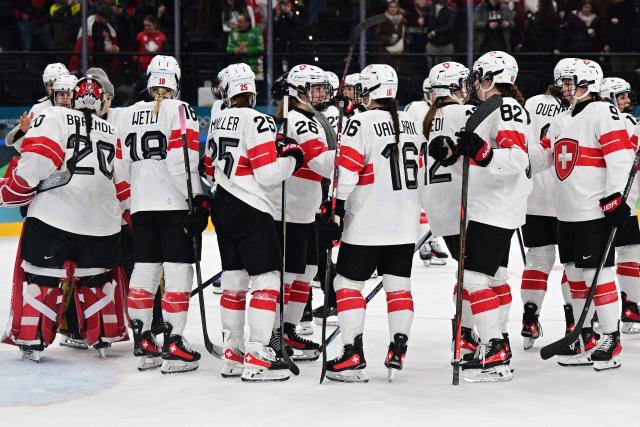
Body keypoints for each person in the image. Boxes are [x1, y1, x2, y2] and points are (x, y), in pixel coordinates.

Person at [0, 77, 127, 362]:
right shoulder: (113, 129)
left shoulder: (53, 115)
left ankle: (32, 339)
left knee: (42, 279)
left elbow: (38, 160)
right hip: (103, 224)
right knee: (96, 278)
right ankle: (104, 335)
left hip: (54, 219)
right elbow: (123, 180)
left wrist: (10, 191)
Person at [430, 51, 531, 382]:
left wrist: (482, 152)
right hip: (486, 204)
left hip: (496, 206)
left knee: (473, 279)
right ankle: (495, 343)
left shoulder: (508, 107)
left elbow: (514, 158)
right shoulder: (488, 110)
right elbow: (478, 158)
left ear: (492, 76)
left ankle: (495, 347)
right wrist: (452, 155)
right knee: (493, 278)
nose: (474, 82)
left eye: (479, 75)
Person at [319, 64, 423, 383]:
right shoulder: (411, 122)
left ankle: (352, 353)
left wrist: (333, 207)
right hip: (404, 224)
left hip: (366, 223)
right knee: (399, 287)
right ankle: (398, 347)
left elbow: (347, 173)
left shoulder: (359, 122)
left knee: (347, 285)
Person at [529, 59, 633, 371]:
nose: (564, 87)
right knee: (574, 275)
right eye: (563, 82)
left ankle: (611, 337)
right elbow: (544, 157)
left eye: (570, 82)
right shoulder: (562, 118)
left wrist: (615, 197)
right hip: (566, 212)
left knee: (596, 276)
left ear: (588, 83)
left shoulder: (603, 112)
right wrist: (501, 155)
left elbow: (620, 155)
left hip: (592, 210)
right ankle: (584, 335)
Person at [203, 63, 302, 382]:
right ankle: (259, 353)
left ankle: (232, 351)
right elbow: (268, 175)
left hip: (222, 205)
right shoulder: (259, 119)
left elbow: (207, 167)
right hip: (250, 206)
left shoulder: (218, 118)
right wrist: (292, 158)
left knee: (233, 280)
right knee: (267, 278)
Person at [117, 55, 206, 374]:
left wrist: (129, 203)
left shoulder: (126, 115)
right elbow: (184, 161)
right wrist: (196, 199)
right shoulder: (180, 110)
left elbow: (119, 167)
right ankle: (174, 340)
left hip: (141, 206)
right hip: (173, 204)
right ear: (176, 82)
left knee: (144, 271)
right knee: (178, 273)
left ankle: (143, 341)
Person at [264, 64, 334, 361]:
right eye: (314, 87)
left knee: (306, 271)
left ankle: (289, 329)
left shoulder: (312, 118)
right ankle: (275, 332)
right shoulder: (297, 119)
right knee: (289, 275)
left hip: (305, 209)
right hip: (288, 210)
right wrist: (357, 155)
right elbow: (320, 162)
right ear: (297, 90)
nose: (321, 92)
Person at [422, 61, 479, 360]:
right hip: (464, 203)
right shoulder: (466, 113)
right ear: (454, 87)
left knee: (465, 270)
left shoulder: (431, 118)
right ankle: (466, 331)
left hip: (440, 208)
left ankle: (464, 329)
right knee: (478, 274)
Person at [519, 58, 575, 351]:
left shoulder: (530, 103)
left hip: (534, 197)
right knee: (572, 263)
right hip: (568, 198)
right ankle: (572, 320)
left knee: (537, 261)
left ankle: (530, 317)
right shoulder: (575, 110)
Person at [599, 77, 640, 335]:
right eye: (621, 96)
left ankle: (588, 313)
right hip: (621, 201)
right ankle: (631, 307)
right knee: (630, 253)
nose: (626, 101)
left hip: (595, 200)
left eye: (627, 96)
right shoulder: (628, 122)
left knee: (594, 261)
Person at [405, 76, 450, 267]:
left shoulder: (445, 110)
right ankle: (422, 240)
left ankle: (432, 239)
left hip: (437, 163)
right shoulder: (415, 108)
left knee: (433, 204)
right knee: (420, 203)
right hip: (417, 161)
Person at [5, 62, 70, 151]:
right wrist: (24, 131)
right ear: (45, 86)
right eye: (51, 84)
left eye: (58, 83)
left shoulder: (79, 105)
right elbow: (10, 141)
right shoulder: (39, 108)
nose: (55, 88)